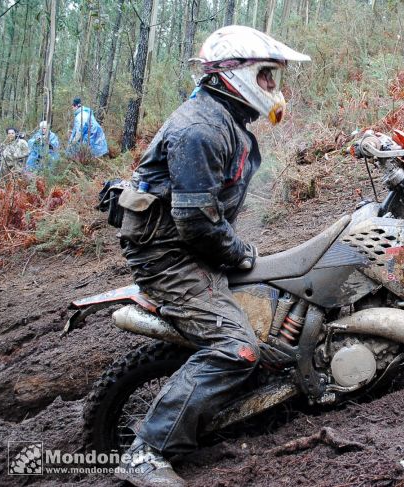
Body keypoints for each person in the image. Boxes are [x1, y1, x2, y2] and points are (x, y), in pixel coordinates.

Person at [114, 25, 310, 487]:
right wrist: (239, 253)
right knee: (236, 348)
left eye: (273, 79)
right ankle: (146, 453)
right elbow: (197, 222)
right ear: (234, 75)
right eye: (266, 78)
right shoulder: (200, 128)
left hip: (193, 249)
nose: (273, 90)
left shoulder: (225, 120)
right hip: (171, 260)